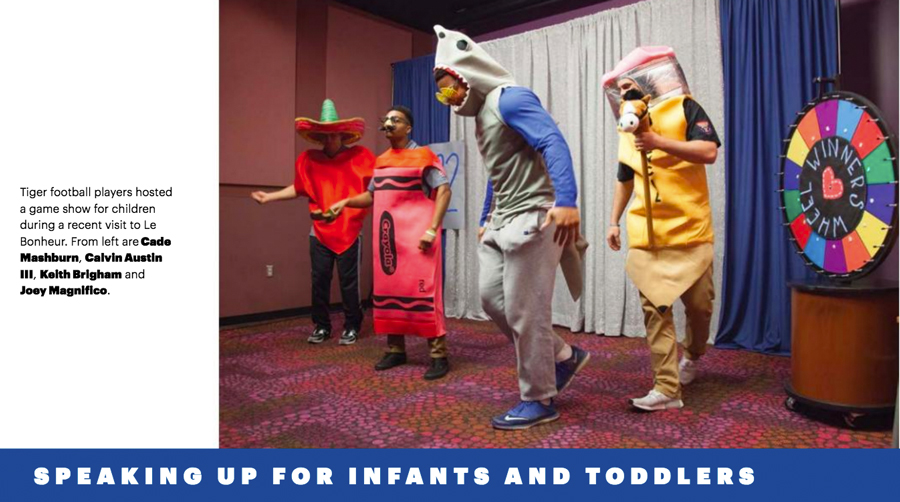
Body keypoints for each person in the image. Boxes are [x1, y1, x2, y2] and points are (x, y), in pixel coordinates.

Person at [432, 25, 590, 430]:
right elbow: (497, 171)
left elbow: (552, 142)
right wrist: (486, 217)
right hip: (502, 221)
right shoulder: (484, 114)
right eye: (439, 90)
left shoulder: (510, 98)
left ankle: (539, 399)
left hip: (536, 217)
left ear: (466, 70)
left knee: (526, 311)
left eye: (446, 84)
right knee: (491, 301)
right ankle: (563, 357)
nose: (445, 95)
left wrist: (568, 202)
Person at [602, 47, 721, 411]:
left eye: (628, 88)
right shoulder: (628, 125)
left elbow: (709, 151)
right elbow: (625, 176)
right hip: (647, 235)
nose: (624, 96)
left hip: (689, 228)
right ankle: (666, 389)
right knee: (655, 312)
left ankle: (695, 354)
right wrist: (613, 221)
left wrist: (658, 142)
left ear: (646, 82)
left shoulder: (685, 107)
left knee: (700, 307)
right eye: (619, 92)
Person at [330, 106, 452, 380]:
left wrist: (432, 229)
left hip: (419, 239)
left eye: (395, 119)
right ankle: (396, 349)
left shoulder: (423, 156)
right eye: (385, 119)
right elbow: (371, 196)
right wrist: (347, 201)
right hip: (389, 239)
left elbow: (444, 190)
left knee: (424, 294)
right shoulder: (382, 160)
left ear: (408, 128)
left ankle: (438, 355)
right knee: (390, 292)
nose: (388, 123)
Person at [251, 99, 374, 345]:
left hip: (349, 231)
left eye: (334, 136)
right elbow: (298, 189)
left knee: (349, 283)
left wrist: (346, 203)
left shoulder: (361, 158)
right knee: (319, 281)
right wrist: (269, 196)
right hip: (319, 232)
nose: (330, 141)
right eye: (325, 136)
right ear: (318, 137)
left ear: (343, 135)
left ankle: (351, 325)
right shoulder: (309, 160)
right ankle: (321, 326)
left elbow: (371, 194)